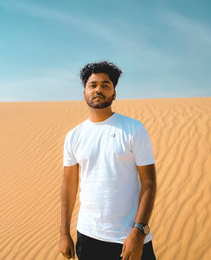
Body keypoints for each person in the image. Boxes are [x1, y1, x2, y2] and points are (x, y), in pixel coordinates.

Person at [59, 61, 157, 260]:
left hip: (129, 238)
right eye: (93, 85)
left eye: (106, 85)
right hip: (88, 237)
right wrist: (63, 233)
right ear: (84, 93)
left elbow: (149, 183)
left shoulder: (134, 129)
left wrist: (138, 232)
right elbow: (69, 187)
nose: (98, 89)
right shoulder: (74, 136)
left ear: (114, 94)